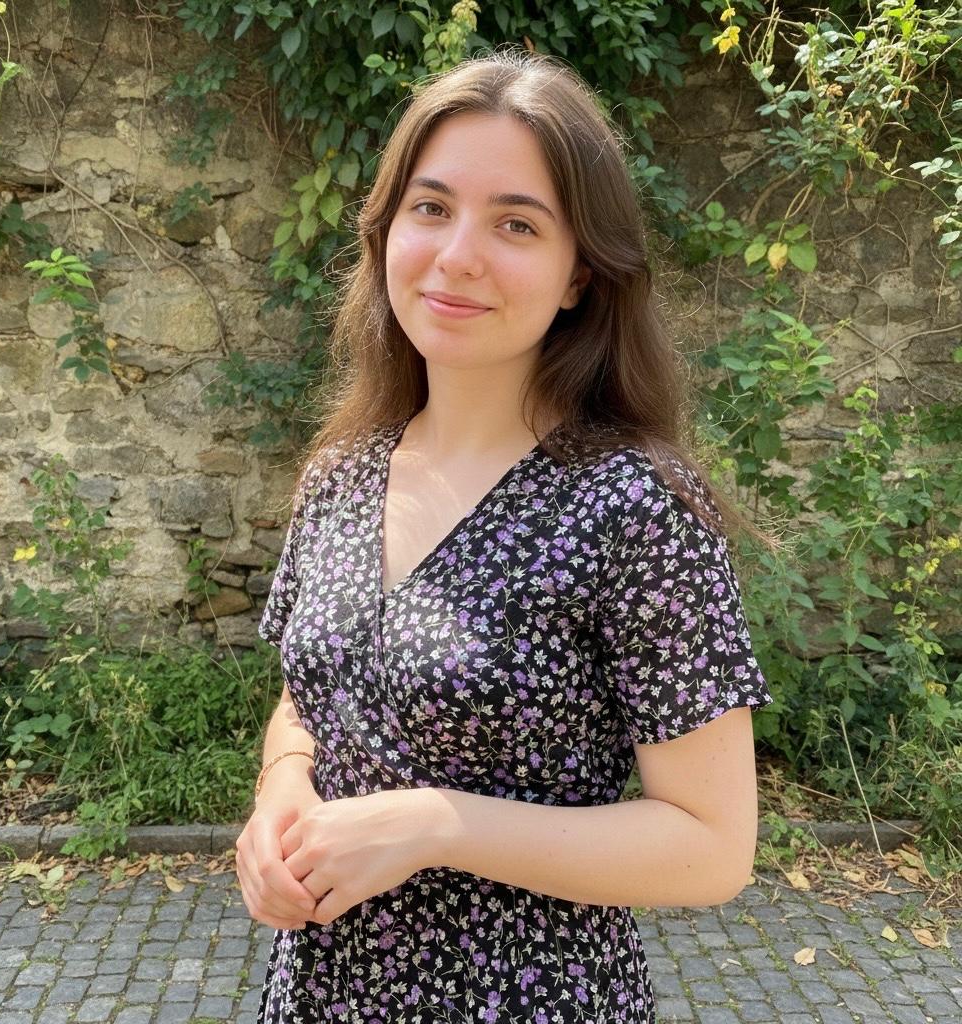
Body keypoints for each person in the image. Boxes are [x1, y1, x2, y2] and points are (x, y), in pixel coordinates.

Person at [237, 44, 776, 1024]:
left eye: (515, 223)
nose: (456, 255)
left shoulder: (636, 508)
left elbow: (710, 845)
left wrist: (434, 824)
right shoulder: (341, 474)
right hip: (320, 993)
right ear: (386, 230)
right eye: (430, 207)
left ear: (579, 274)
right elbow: (306, 696)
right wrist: (281, 786)